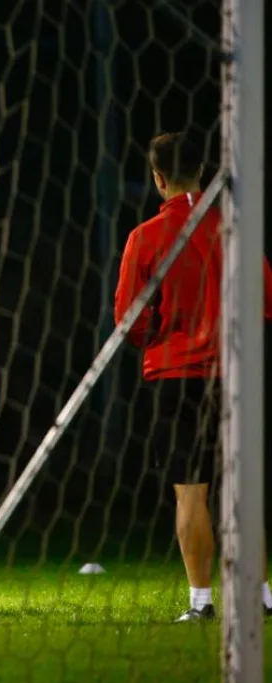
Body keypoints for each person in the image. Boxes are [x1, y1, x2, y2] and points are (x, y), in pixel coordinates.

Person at [115, 131, 272, 622]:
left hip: (173, 377)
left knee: (190, 490)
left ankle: (201, 602)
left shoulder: (144, 237)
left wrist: (160, 336)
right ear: (202, 172)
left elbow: (129, 319)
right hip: (234, 375)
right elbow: (264, 302)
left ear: (158, 178)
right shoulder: (235, 228)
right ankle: (261, 595)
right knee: (242, 487)